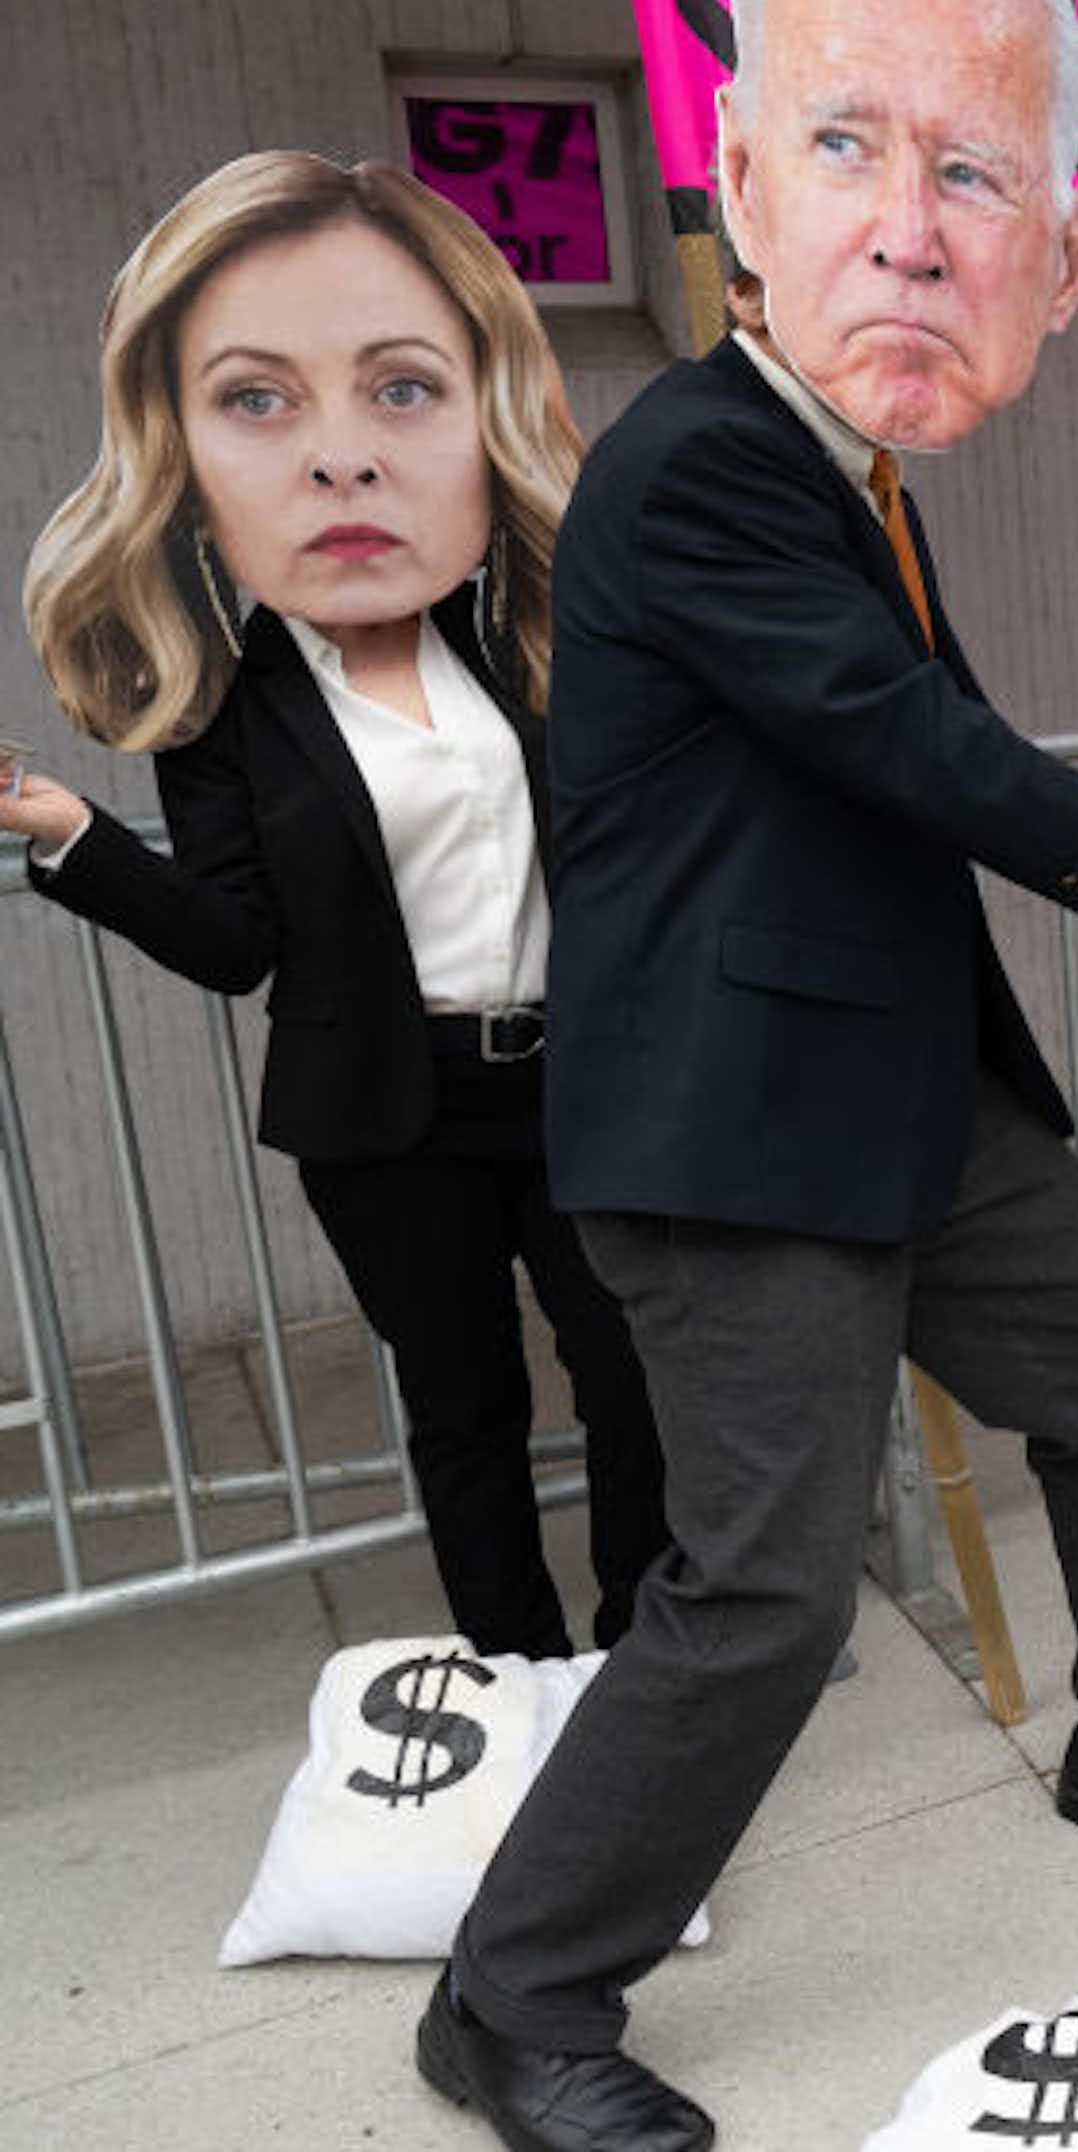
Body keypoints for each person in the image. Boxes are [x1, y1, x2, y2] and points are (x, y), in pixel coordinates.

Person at [416, 0, 1078, 2152]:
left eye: (975, 172)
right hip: (736, 1136)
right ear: (738, 177)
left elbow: (873, 757)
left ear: (1050, 246)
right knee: (753, 1584)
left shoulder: (843, 469)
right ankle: (513, 1989)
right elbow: (895, 737)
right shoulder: (701, 464)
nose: (913, 228)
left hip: (897, 1099)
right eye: (852, 147)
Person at [1, 152, 667, 1659]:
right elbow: (236, 946)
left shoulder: (532, 653)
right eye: (258, 399)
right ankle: (519, 1675)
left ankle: (648, 1656)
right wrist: (65, 836)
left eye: (404, 391)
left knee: (633, 1379)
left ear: (483, 422)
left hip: (581, 1087)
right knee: (468, 1413)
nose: (343, 462)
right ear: (181, 457)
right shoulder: (222, 714)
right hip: (390, 1118)